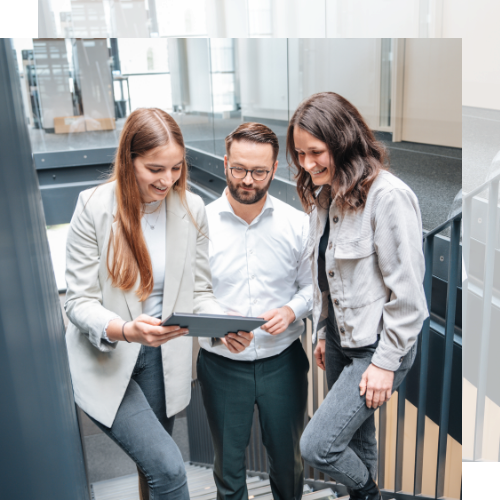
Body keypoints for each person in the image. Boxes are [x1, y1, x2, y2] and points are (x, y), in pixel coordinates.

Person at [64, 108, 253, 500]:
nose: (168, 180)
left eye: (176, 167)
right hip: (110, 355)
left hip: (162, 360)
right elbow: (79, 300)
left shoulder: (191, 209)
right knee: (168, 468)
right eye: (155, 169)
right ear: (128, 159)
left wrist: (224, 326)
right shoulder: (93, 206)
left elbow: (199, 292)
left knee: (152, 471)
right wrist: (125, 329)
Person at [287, 93, 428, 500]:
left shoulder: (388, 197)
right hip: (338, 339)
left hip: (377, 346)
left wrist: (385, 364)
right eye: (299, 153)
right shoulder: (325, 193)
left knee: (318, 445)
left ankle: (369, 494)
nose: (307, 164)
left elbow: (409, 295)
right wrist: (321, 329)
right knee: (357, 440)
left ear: (344, 142)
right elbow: (325, 273)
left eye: (316, 152)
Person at [197, 122, 313, 500]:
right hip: (221, 366)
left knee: (289, 463)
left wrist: (292, 310)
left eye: (259, 172)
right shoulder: (199, 225)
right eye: (239, 169)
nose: (248, 180)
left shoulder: (298, 224)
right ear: (226, 162)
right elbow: (193, 292)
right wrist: (219, 326)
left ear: (275, 169)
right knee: (228, 470)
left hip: (284, 362)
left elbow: (314, 287)